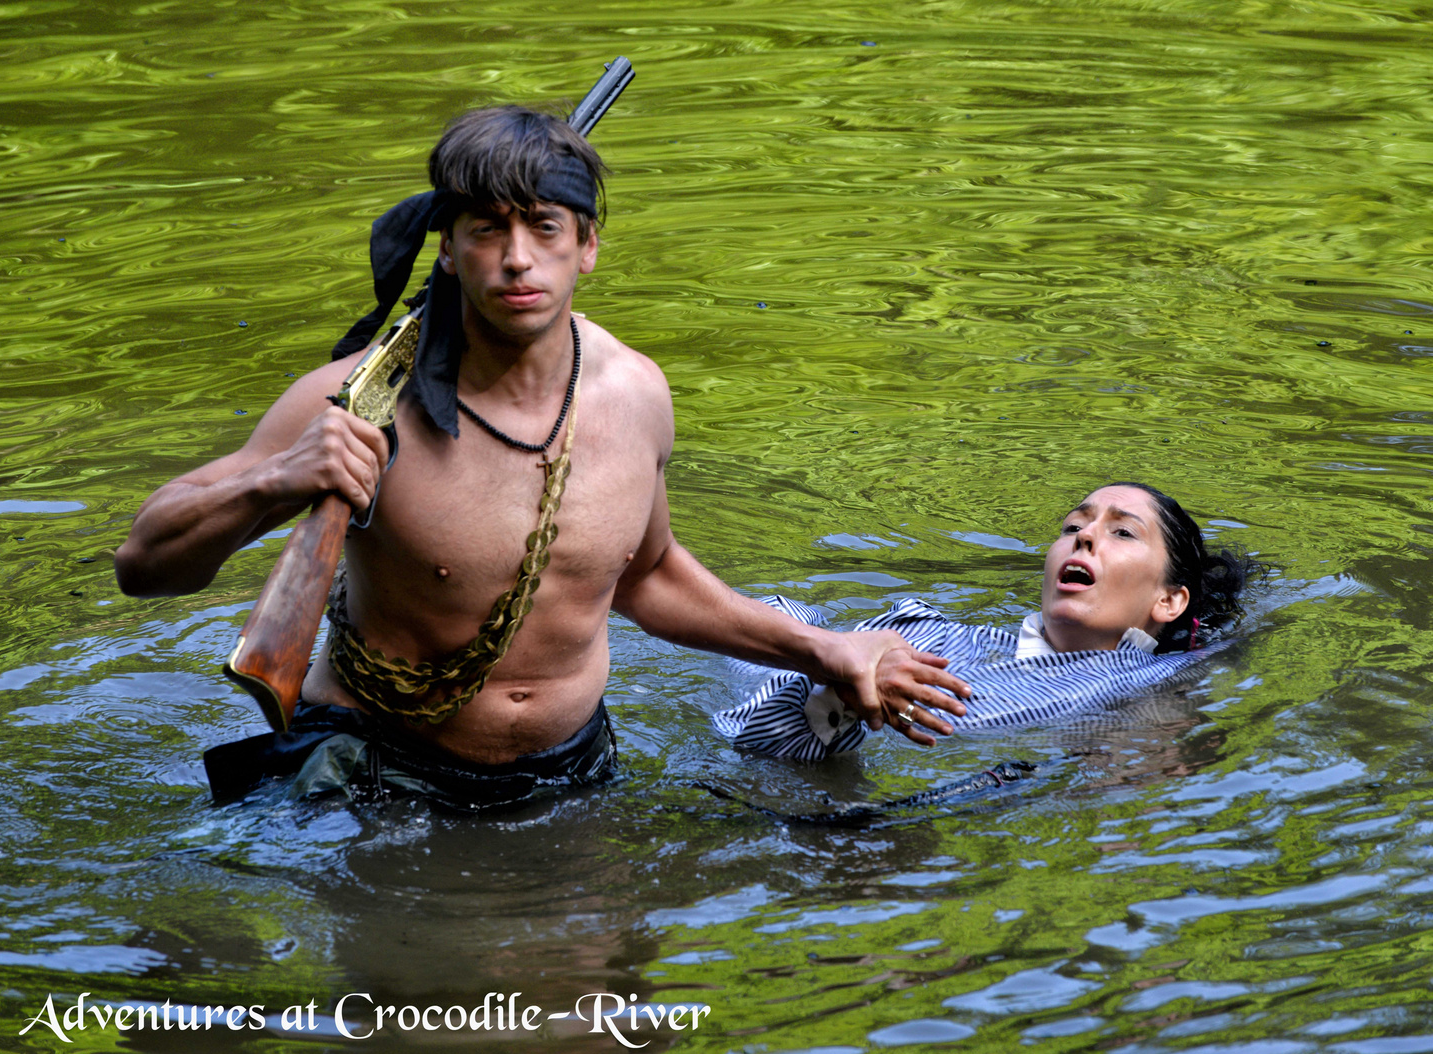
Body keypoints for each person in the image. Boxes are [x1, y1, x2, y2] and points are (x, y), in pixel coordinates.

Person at [113, 105, 971, 808]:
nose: (517, 257)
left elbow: (647, 575)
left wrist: (826, 648)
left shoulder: (635, 394)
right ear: (446, 247)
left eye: (544, 227)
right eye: (487, 229)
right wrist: (277, 477)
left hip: (574, 772)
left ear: (586, 246)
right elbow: (144, 565)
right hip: (374, 777)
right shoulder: (353, 401)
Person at [715, 483, 1258, 761]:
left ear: (1169, 601)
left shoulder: (1134, 688)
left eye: (1123, 533)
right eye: (1073, 525)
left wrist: (842, 686)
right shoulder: (938, 628)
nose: (1084, 536)